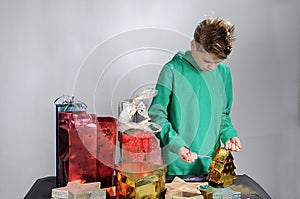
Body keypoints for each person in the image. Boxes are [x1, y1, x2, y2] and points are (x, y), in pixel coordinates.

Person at [148, 17, 242, 175]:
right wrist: (177, 145)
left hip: (211, 166)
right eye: (207, 60)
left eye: (217, 62)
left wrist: (229, 134)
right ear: (193, 46)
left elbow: (223, 115)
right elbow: (156, 116)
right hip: (177, 167)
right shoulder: (172, 70)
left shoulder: (223, 73)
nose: (211, 67)